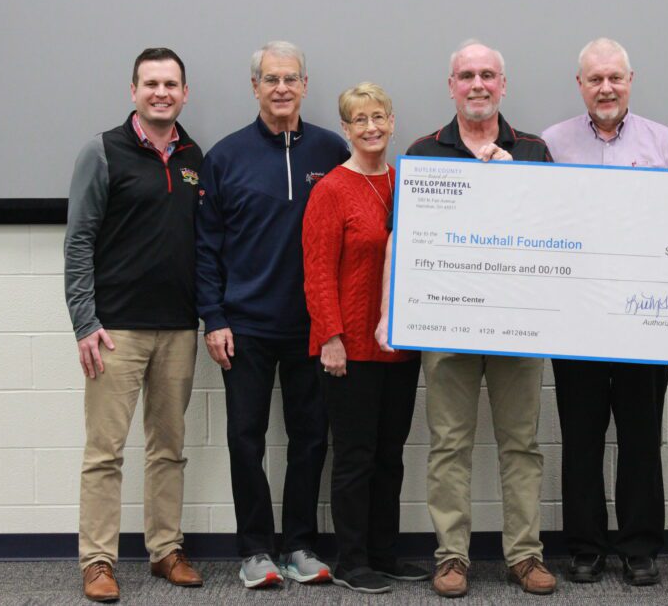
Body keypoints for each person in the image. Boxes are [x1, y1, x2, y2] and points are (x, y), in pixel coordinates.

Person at [395, 40, 556, 597]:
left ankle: (525, 555)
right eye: (467, 75)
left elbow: (556, 236)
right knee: (448, 445)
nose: (478, 85)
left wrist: (514, 181)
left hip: (518, 327)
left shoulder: (533, 151)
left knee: (521, 445)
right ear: (451, 86)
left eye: (488, 75)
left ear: (503, 84)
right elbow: (407, 245)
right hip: (447, 327)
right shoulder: (422, 153)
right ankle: (452, 557)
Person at [195, 41, 348, 588]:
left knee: (311, 440)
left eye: (291, 78)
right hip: (245, 328)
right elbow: (206, 248)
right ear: (255, 87)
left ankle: (301, 544)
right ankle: (256, 549)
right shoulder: (225, 157)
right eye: (270, 79)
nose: (281, 88)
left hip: (314, 329)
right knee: (246, 440)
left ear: (306, 85)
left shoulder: (332, 151)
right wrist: (213, 318)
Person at [541, 38, 668, 586]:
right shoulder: (552, 144)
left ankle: (639, 546)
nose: (606, 88)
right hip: (576, 319)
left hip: (645, 321)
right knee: (580, 438)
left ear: (631, 80)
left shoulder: (665, 143)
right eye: (595, 79)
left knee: (640, 436)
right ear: (579, 84)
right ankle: (584, 545)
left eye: (615, 78)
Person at [64, 47, 204, 601]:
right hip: (115, 331)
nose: (161, 93)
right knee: (105, 452)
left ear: (184, 93)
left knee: (168, 447)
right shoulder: (102, 151)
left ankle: (165, 550)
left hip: (177, 328)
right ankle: (97, 561)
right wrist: (84, 323)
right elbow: (77, 242)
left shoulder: (196, 156)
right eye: (151, 83)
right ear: (133, 91)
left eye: (171, 84)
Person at [302, 82, 428, 594]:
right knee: (354, 458)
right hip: (349, 348)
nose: (371, 127)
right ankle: (352, 561)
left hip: (399, 346)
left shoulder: (408, 184)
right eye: (360, 120)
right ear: (346, 130)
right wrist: (330, 337)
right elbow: (317, 272)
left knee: (390, 456)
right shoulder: (331, 189)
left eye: (379, 117)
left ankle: (383, 553)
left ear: (392, 122)